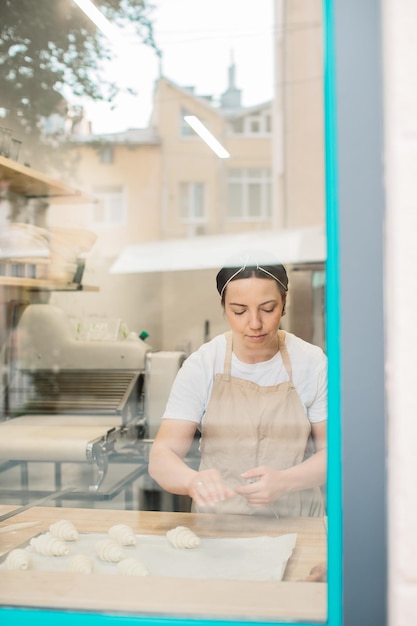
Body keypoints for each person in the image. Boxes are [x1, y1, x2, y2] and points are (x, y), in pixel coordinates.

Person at [148, 255, 327, 517]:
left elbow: (333, 455)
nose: (254, 323)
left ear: (284, 302)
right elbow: (162, 456)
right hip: (221, 528)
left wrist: (285, 482)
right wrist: (191, 481)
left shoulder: (311, 363)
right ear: (223, 306)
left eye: (267, 309)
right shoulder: (203, 364)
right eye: (239, 311)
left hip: (297, 522)